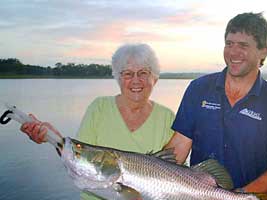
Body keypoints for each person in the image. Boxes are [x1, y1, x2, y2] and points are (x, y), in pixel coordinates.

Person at [21, 43, 175, 200]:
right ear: (118, 78)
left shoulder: (167, 117)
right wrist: (52, 137)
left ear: (154, 78)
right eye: (128, 74)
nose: (136, 80)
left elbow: (174, 168)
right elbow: (81, 158)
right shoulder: (99, 108)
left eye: (143, 73)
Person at [165, 12, 267, 194]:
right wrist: (147, 176)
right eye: (229, 44)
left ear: (263, 51)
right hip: (196, 195)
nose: (233, 52)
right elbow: (179, 147)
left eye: (243, 45)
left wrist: (240, 195)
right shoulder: (198, 89)